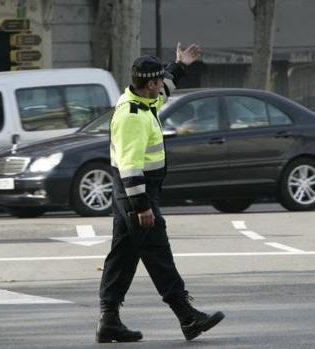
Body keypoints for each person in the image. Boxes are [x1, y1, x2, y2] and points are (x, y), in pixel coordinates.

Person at [96, 43, 224, 343]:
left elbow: (164, 89)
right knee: (157, 254)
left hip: (128, 194)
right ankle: (187, 316)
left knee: (122, 258)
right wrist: (142, 207)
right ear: (148, 83)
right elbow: (129, 166)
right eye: (158, 82)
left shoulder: (140, 99)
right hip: (136, 194)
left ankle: (109, 320)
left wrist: (179, 65)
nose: (161, 88)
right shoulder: (132, 116)